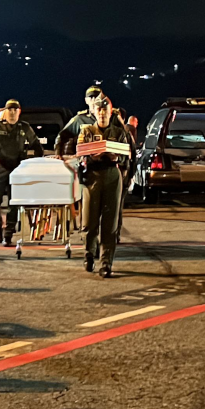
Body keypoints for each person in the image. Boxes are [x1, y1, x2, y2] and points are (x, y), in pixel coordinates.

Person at [78, 98, 133, 277]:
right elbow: (80, 152)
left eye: (105, 111)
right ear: (94, 112)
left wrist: (117, 158)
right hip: (92, 176)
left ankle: (106, 263)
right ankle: (89, 254)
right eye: (99, 111)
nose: (102, 114)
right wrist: (89, 157)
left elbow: (127, 155)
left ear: (111, 113)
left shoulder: (118, 132)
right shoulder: (86, 131)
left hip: (111, 175)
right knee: (89, 220)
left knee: (110, 222)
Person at [0, 99, 42, 247]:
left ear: (19, 112)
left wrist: (32, 163)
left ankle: (8, 233)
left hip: (18, 169)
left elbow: (37, 146)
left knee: (13, 203)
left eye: (15, 110)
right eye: (9, 109)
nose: (12, 113)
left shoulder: (24, 127)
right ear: (5, 112)